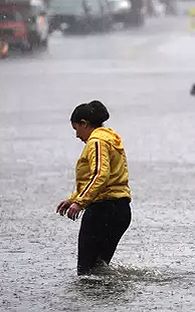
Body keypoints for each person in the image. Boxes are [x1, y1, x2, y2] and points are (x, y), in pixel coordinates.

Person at [56, 100, 132, 275]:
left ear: (84, 123)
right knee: (98, 271)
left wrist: (80, 203)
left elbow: (100, 175)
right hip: (120, 211)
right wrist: (73, 199)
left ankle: (92, 303)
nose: (77, 136)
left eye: (76, 129)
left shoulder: (96, 142)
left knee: (86, 273)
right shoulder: (111, 139)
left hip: (102, 211)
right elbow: (101, 178)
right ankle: (108, 302)